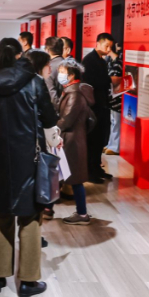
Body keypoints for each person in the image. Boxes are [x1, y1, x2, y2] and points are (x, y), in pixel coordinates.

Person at [0, 38, 58, 297]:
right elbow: (49, 118)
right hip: (28, 156)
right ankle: (28, 281)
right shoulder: (33, 82)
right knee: (30, 214)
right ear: (20, 55)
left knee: (0, 210)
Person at [56, 58, 95, 225]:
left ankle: (82, 213)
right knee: (68, 177)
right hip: (71, 140)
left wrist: (52, 128)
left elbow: (67, 120)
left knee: (75, 179)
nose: (60, 75)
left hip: (71, 141)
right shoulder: (70, 91)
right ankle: (79, 212)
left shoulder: (75, 94)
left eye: (63, 72)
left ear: (71, 75)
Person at [81, 33, 114, 182]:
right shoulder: (89, 61)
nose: (108, 49)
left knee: (100, 139)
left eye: (110, 47)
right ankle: (90, 171)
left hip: (102, 104)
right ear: (98, 43)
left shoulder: (101, 61)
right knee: (93, 139)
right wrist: (108, 82)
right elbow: (91, 83)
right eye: (106, 46)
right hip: (94, 106)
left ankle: (97, 167)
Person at [104, 42, 123, 155]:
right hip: (111, 95)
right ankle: (111, 143)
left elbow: (116, 79)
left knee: (116, 121)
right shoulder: (110, 61)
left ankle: (115, 146)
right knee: (112, 121)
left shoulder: (118, 63)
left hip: (117, 95)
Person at [44, 36, 65, 108]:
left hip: (59, 109)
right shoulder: (68, 64)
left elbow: (52, 94)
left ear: (47, 50)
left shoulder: (49, 67)